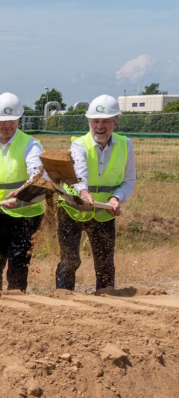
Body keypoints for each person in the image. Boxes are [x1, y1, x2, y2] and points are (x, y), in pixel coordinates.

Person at [55, 94, 135, 291]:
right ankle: (63, 298)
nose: (100, 126)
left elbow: (129, 180)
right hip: (72, 209)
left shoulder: (126, 145)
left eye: (105, 121)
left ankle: (106, 299)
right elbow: (79, 171)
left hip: (103, 212)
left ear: (115, 123)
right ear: (89, 122)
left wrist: (116, 198)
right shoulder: (79, 144)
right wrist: (83, 192)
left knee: (105, 263)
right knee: (69, 260)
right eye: (95, 121)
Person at [0, 93, 46, 292]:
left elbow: (38, 176)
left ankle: (16, 303)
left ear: (19, 119)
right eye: (2, 120)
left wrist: (21, 195)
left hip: (26, 217)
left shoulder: (31, 145)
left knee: (18, 267)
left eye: (12, 120)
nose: (7, 125)